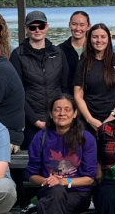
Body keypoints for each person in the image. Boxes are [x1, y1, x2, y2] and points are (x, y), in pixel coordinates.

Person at [28, 95, 99, 214]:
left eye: (67, 109)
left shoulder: (86, 138)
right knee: (52, 195)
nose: (62, 113)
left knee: (45, 204)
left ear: (75, 113)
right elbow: (33, 174)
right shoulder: (41, 137)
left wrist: (64, 181)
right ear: (51, 114)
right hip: (50, 189)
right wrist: (48, 180)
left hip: (78, 195)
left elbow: (89, 179)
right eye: (57, 109)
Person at [10, 11, 71, 149]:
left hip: (57, 119)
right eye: (32, 27)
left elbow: (65, 87)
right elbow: (17, 93)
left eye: (41, 26)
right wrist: (35, 121)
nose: (37, 30)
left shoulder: (58, 53)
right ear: (26, 29)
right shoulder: (18, 55)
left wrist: (62, 116)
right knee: (32, 162)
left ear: (47, 27)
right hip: (30, 121)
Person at [74, 24, 115, 132]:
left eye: (103, 37)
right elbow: (78, 96)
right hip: (88, 120)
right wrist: (90, 119)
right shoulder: (83, 63)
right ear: (89, 39)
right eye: (95, 37)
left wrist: (112, 117)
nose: (99, 40)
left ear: (108, 39)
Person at [60, 10, 91, 77]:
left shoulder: (94, 49)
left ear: (88, 26)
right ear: (69, 25)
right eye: (74, 24)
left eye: (82, 25)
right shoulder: (60, 50)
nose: (77, 28)